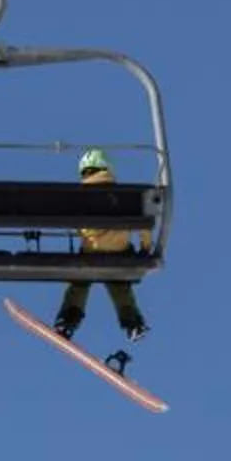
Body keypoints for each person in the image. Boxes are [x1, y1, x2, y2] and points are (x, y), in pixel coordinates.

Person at [52, 148, 151, 349]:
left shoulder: (77, 197)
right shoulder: (125, 195)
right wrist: (145, 248)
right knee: (119, 285)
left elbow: (69, 223)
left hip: (91, 253)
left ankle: (67, 322)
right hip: (120, 253)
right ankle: (133, 324)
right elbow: (144, 224)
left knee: (79, 284)